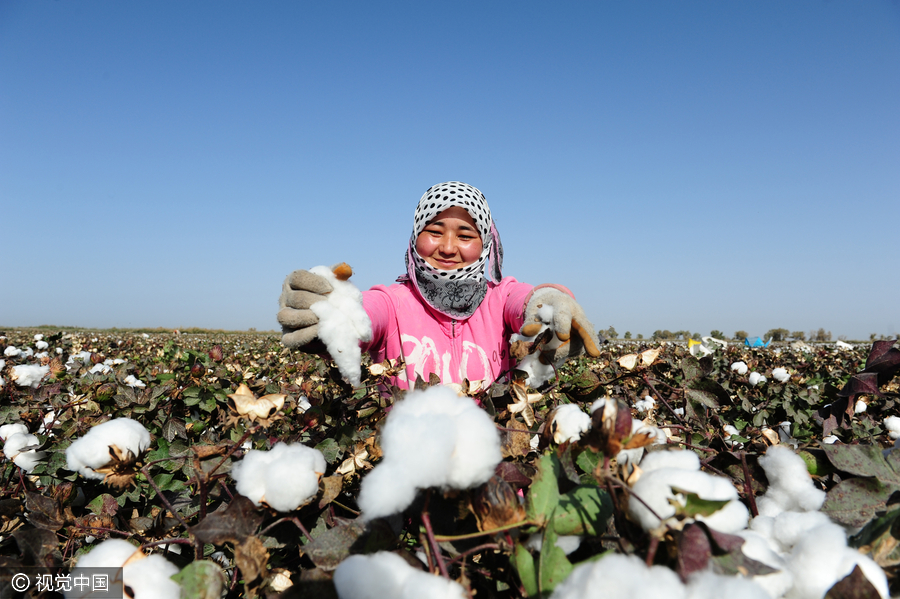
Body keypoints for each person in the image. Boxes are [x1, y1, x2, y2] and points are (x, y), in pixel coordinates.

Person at [277, 181, 602, 389]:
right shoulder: (393, 303)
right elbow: (363, 316)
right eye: (434, 231)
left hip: (492, 485)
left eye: (465, 235)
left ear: (485, 244)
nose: (448, 247)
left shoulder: (498, 299)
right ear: (415, 238)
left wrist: (550, 304)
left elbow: (528, 301)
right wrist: (333, 317)